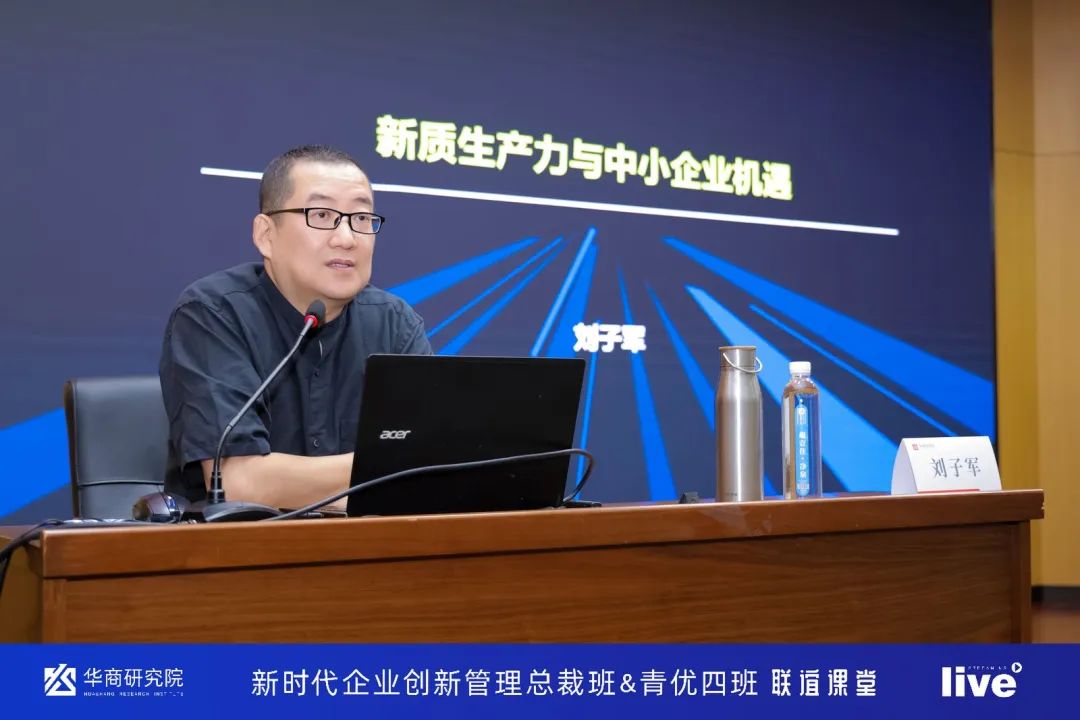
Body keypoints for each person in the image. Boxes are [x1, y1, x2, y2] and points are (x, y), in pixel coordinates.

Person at [160, 145, 432, 510]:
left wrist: (411, 469)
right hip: (245, 543)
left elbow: (432, 466)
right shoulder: (213, 313)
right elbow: (239, 483)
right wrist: (389, 471)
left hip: (369, 542)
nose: (346, 238)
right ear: (266, 234)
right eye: (321, 215)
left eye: (361, 218)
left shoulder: (395, 323)